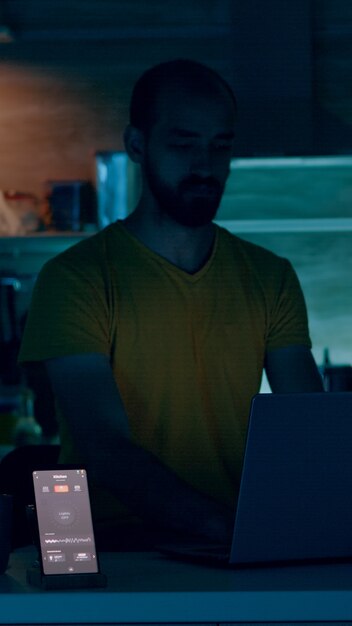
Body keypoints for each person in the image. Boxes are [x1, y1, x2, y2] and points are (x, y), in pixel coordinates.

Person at [19, 59, 324, 549]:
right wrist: (224, 527)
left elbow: (312, 428)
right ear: (137, 145)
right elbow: (104, 447)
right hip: (114, 548)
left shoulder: (270, 278)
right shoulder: (76, 279)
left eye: (219, 146)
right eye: (184, 144)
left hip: (235, 546)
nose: (204, 165)